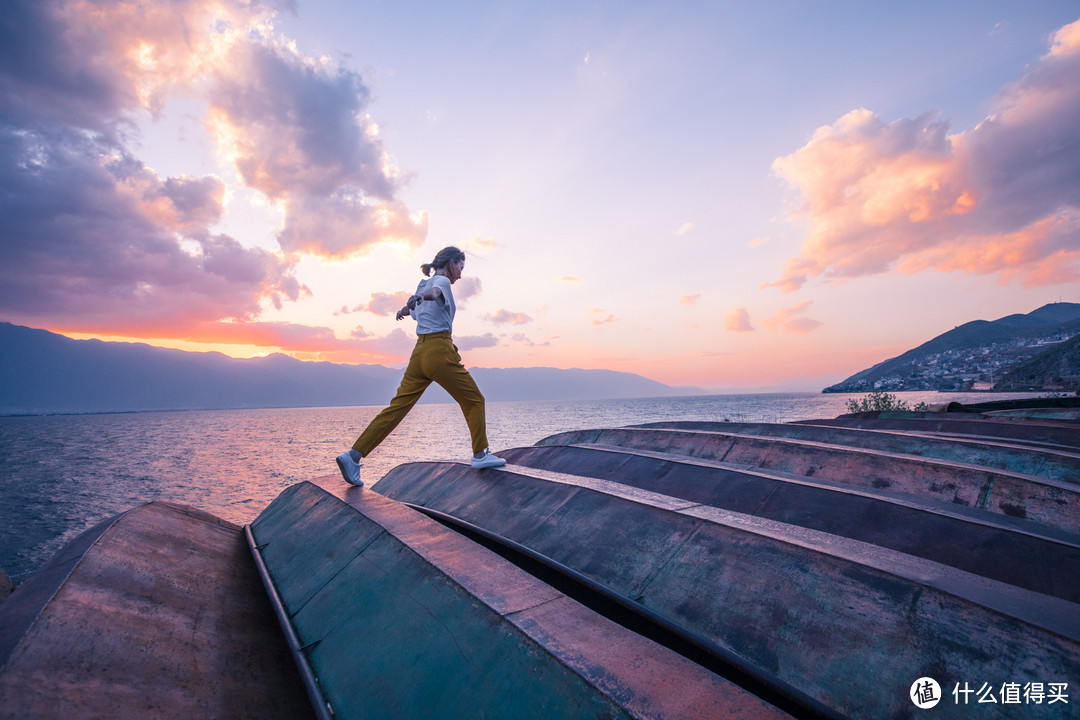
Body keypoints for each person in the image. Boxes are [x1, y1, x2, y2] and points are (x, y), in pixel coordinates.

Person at [336, 246, 506, 486]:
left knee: (396, 408)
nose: (460, 274)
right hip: (439, 351)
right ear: (450, 263)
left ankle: (353, 457)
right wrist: (421, 298)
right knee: (475, 400)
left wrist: (406, 309)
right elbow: (435, 293)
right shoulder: (441, 282)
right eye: (460, 267)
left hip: (419, 354)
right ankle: (480, 454)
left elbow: (420, 306)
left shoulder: (419, 286)